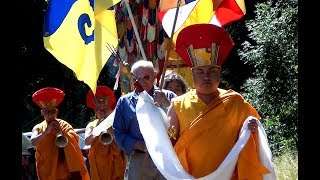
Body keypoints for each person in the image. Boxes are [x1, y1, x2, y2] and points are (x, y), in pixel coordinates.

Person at [167, 24, 275, 179]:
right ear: (193, 74)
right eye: (200, 71)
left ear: (219, 73)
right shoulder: (178, 105)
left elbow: (252, 134)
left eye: (212, 71)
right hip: (190, 176)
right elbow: (169, 141)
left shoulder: (235, 102)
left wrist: (252, 127)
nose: (206, 77)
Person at [113, 60, 177, 180]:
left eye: (146, 77)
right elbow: (118, 133)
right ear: (132, 80)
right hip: (139, 158)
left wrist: (166, 103)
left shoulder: (169, 96)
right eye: (137, 78)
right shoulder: (124, 102)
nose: (142, 82)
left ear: (154, 76)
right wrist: (138, 144)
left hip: (167, 156)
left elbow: (182, 121)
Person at [30, 87, 90, 180]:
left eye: (53, 111)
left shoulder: (64, 125)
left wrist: (62, 133)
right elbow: (33, 141)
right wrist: (46, 132)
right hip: (47, 172)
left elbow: (74, 141)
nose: (50, 115)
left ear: (57, 112)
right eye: (47, 112)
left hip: (65, 172)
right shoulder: (38, 127)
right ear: (42, 113)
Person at [84, 86, 126, 180]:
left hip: (115, 165)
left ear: (110, 110)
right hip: (98, 167)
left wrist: (109, 125)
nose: (102, 112)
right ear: (95, 111)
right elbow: (87, 141)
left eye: (105, 109)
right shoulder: (92, 125)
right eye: (99, 110)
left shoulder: (117, 123)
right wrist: (100, 126)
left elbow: (121, 143)